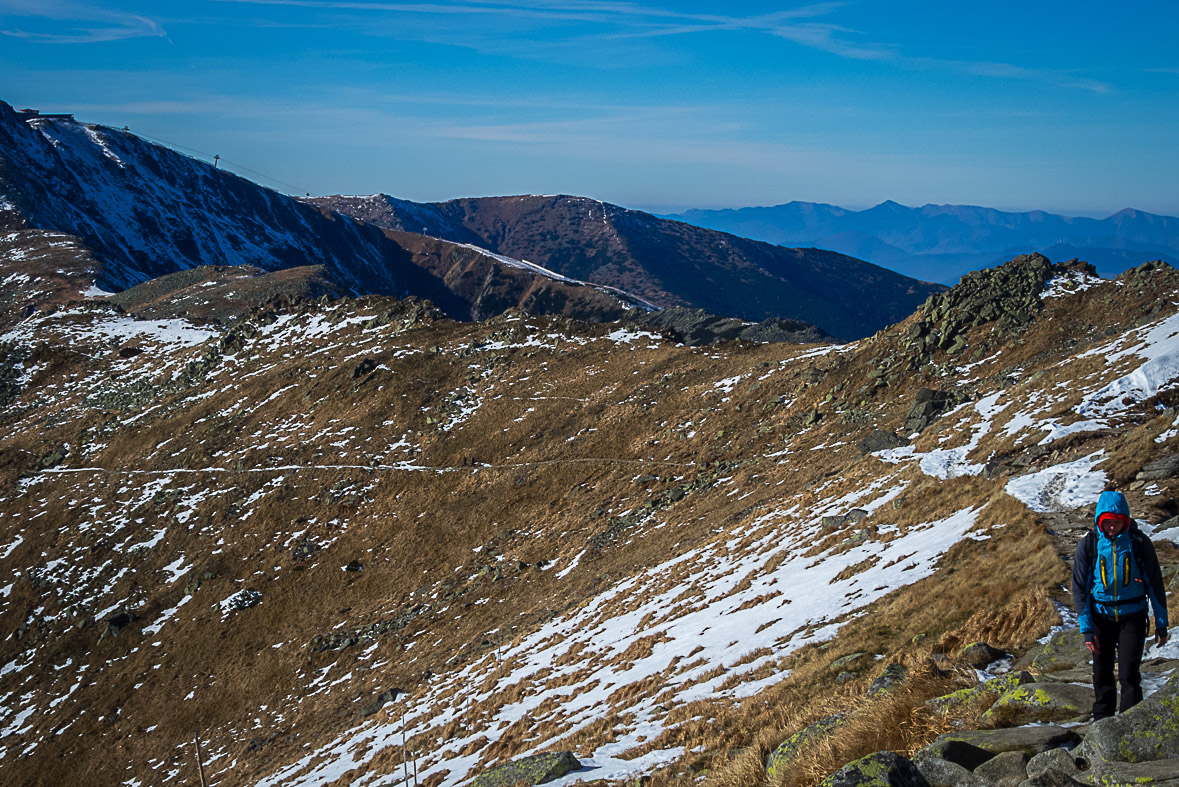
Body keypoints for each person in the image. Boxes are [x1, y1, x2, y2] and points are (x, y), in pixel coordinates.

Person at [1072, 490, 1169, 719]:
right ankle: (1101, 723)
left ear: (1125, 520)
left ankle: (1130, 723)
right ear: (1099, 522)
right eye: (1107, 523)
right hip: (1100, 618)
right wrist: (1087, 629)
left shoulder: (1138, 543)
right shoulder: (1089, 545)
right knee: (1101, 672)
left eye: (1117, 522)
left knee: (1129, 673)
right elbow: (1080, 588)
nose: (1112, 528)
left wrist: (1161, 624)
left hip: (1132, 617)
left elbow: (1155, 584)